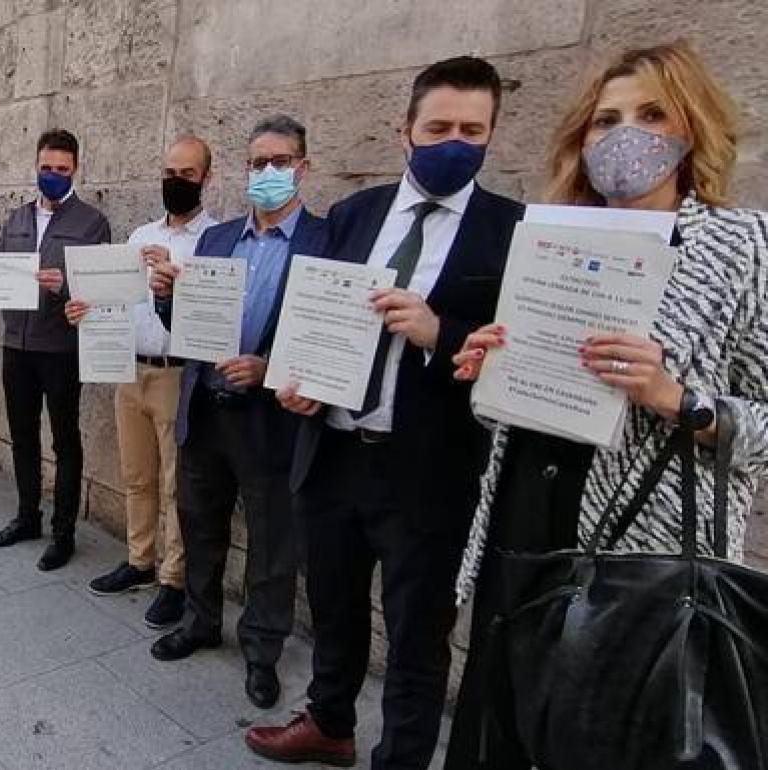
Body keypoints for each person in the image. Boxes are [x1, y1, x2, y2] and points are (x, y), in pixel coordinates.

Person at [442, 41, 768, 770]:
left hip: (642, 567)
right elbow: (514, 412)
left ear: (693, 129)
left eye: (653, 114)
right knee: (499, 732)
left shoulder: (745, 246)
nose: (626, 135)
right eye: (605, 119)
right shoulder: (551, 237)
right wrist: (489, 375)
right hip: (523, 527)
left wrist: (679, 399)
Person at [243, 59, 523, 770]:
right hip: (333, 451)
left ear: (491, 135)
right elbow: (315, 315)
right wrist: (294, 381)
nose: (453, 141)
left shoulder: (511, 229)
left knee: (417, 637)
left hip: (427, 472)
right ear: (406, 131)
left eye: (472, 129)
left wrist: (441, 334)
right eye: (438, 127)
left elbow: (519, 358)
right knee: (334, 610)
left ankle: (399, 758)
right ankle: (330, 724)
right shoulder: (355, 214)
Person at [148, 115, 328, 709]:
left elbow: (329, 339)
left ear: (302, 167)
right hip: (206, 410)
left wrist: (268, 367)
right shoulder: (217, 239)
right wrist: (168, 299)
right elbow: (189, 329)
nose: (268, 173)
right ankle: (201, 621)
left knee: (274, 545)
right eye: (257, 163)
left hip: (271, 420)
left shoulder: (323, 243)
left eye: (280, 162)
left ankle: (261, 650)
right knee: (200, 524)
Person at [64, 136, 219, 628]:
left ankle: (174, 578)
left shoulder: (215, 240)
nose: (176, 180)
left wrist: (179, 279)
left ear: (206, 179)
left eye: (188, 174)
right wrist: (84, 310)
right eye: (170, 171)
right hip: (130, 369)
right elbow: (113, 302)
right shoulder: (137, 235)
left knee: (176, 483)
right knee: (136, 476)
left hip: (178, 374)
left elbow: (216, 314)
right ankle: (139, 560)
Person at [0, 129, 112, 572]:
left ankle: (64, 533)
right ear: (36, 167)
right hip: (16, 346)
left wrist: (66, 286)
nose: (54, 175)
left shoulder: (92, 222)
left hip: (60, 348)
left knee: (65, 440)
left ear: (75, 169)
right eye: (47, 168)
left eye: (62, 169)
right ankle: (27, 516)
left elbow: (100, 289)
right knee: (22, 435)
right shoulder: (18, 218)